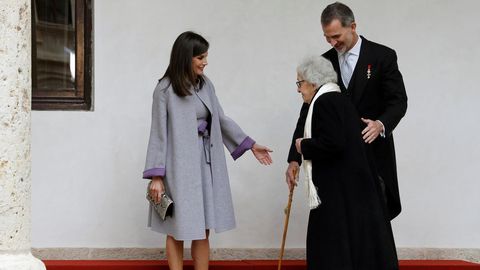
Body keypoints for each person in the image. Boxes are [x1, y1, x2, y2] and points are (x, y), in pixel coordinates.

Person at [143, 31, 273, 270]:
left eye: (205, 56)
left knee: (202, 228)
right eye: (200, 57)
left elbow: (220, 119)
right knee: (177, 228)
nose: (205, 62)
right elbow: (158, 134)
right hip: (177, 169)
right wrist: (157, 177)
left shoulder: (205, 85)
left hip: (205, 164)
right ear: (186, 57)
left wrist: (251, 144)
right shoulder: (164, 90)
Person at [287, 2, 408, 220]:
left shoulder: (383, 56)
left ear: (352, 26)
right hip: (336, 157)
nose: (333, 43)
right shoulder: (324, 62)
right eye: (327, 37)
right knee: (343, 221)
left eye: (336, 36)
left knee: (374, 217)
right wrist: (295, 158)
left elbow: (398, 101)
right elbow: (307, 111)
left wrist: (380, 124)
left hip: (373, 150)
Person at [290, 55, 398, 270]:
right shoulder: (336, 99)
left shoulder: (325, 101)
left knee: (332, 246)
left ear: (313, 82)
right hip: (348, 188)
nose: (298, 89)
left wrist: (304, 146)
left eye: (300, 83)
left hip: (339, 191)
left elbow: (334, 142)